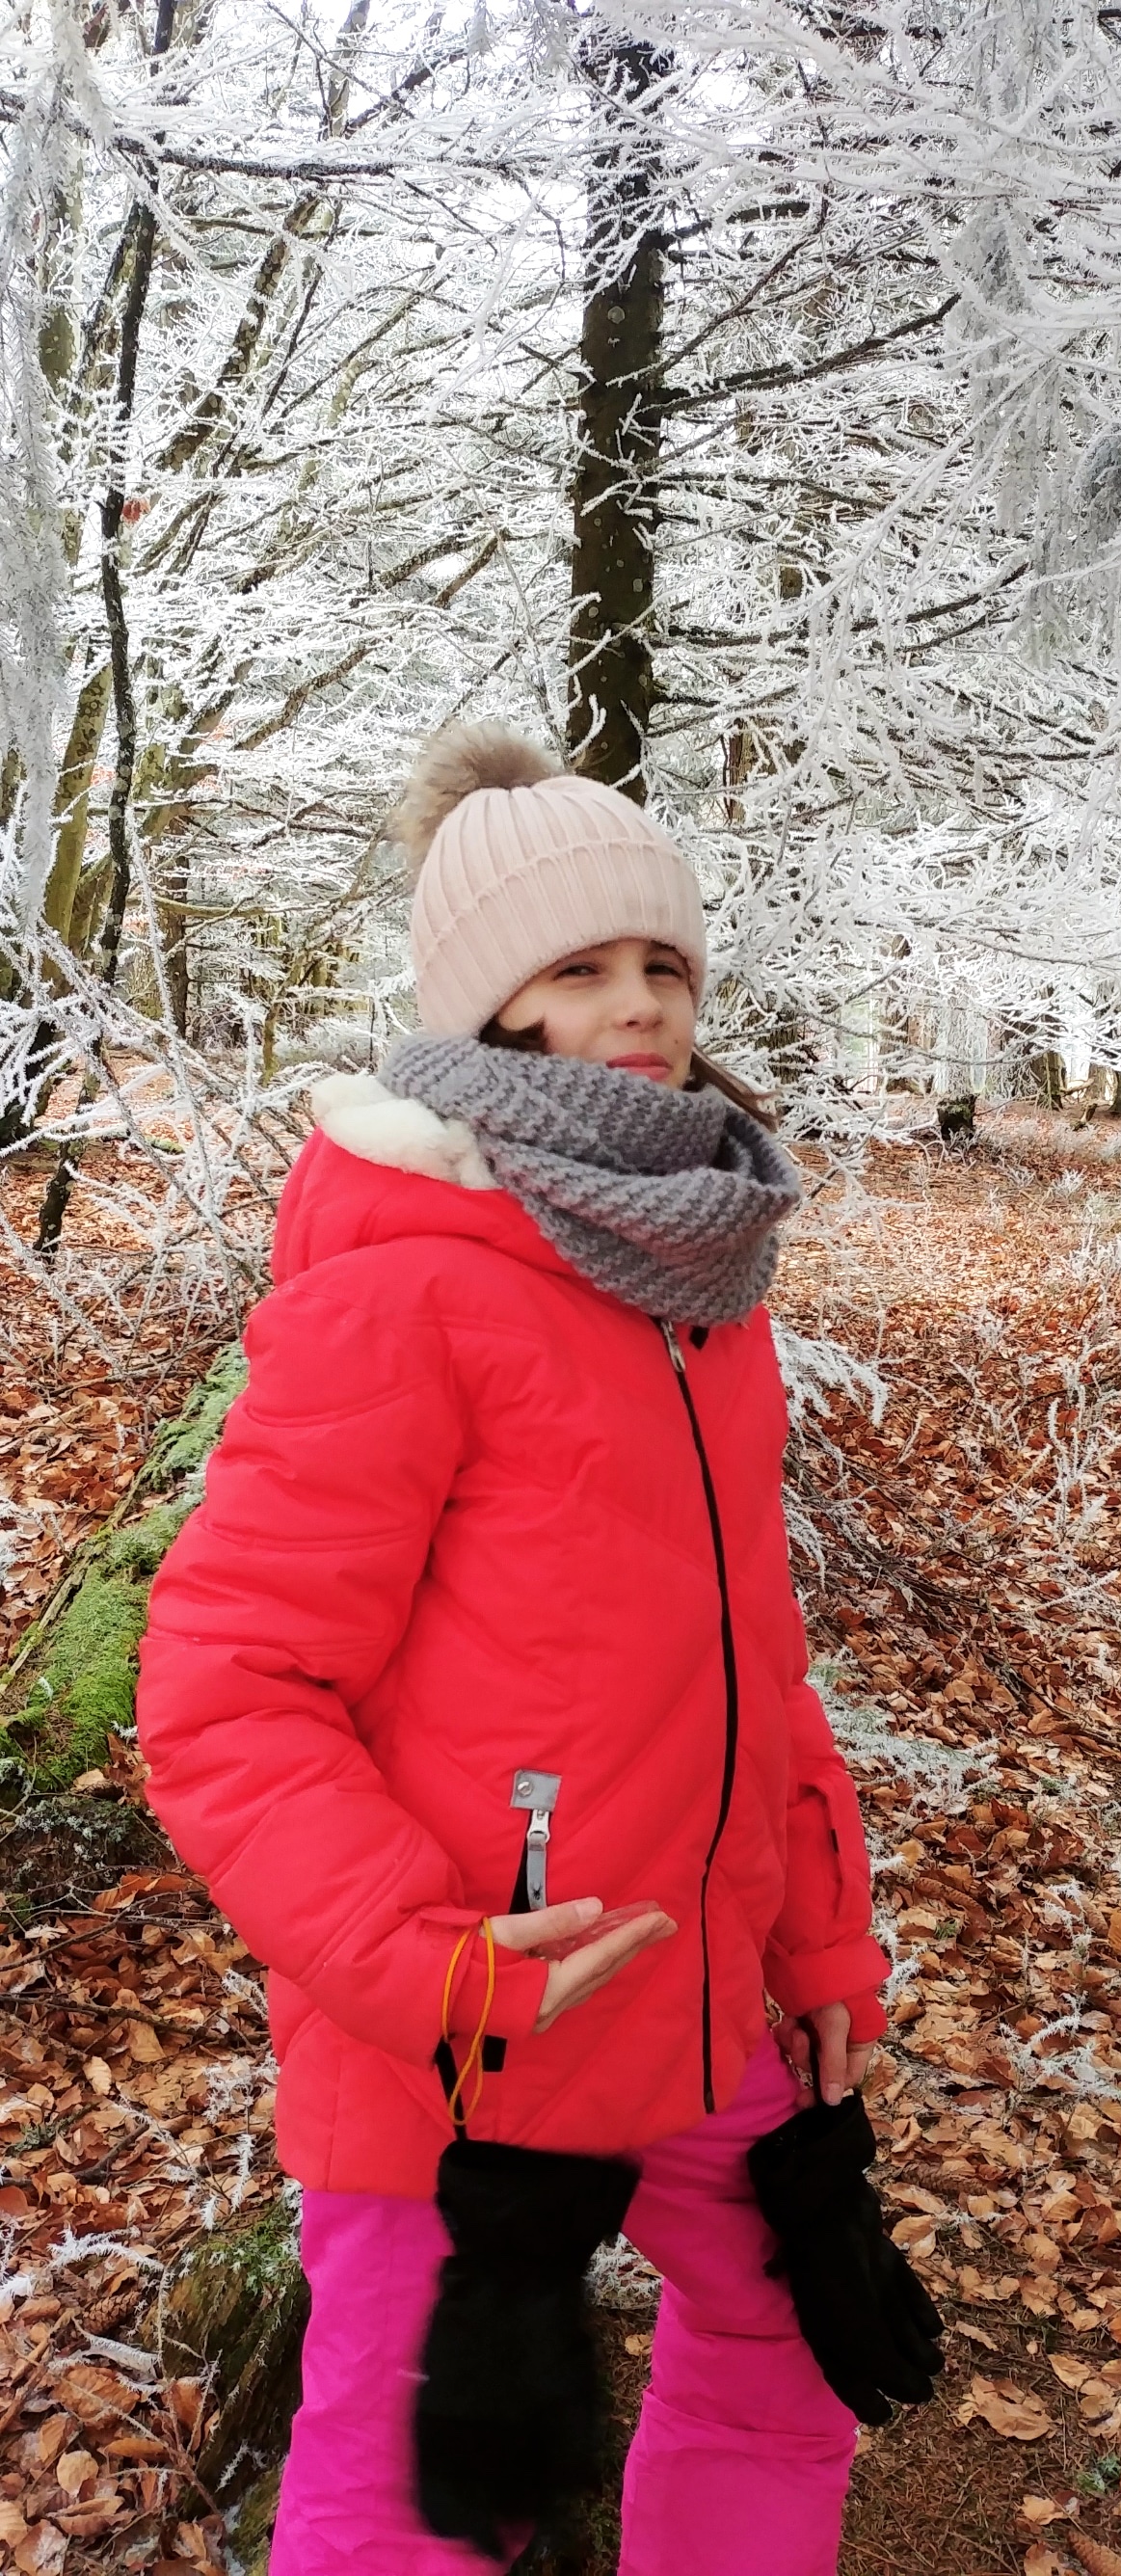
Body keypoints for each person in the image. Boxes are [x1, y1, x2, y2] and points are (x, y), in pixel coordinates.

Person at [135, 727, 892, 2576]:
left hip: (700, 1993)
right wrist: (428, 1966)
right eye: (581, 968)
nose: (638, 1005)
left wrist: (817, 1940)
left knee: (792, 2371)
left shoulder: (703, 1281)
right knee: (417, 2496)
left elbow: (755, 1663)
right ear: (491, 1007)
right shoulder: (402, 1283)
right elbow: (227, 1689)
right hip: (464, 2040)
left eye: (663, 965)